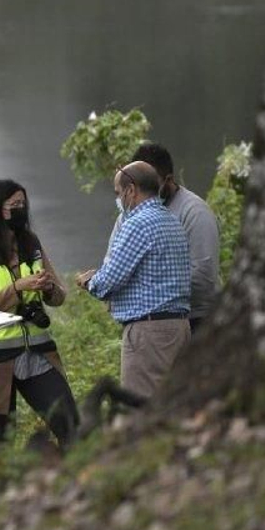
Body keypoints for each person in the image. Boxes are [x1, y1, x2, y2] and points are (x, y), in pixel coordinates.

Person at [0, 180, 80, 450]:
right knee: (0, 445)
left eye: (23, 204)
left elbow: (59, 296)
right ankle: (3, 491)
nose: (21, 210)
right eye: (14, 205)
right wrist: (17, 289)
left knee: (71, 425)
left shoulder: (30, 242)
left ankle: (74, 485)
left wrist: (48, 288)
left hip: (35, 351)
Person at [76, 163, 191, 398]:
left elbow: (107, 282)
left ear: (131, 190)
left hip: (148, 333)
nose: (118, 199)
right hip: (179, 328)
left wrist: (89, 281)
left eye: (118, 193)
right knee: (173, 404)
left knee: (140, 408)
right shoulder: (171, 220)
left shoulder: (137, 224)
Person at [129, 142, 221, 331]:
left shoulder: (194, 212)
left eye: (151, 185)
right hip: (145, 323)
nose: (144, 194)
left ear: (168, 179)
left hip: (194, 321)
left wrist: (143, 288)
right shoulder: (130, 212)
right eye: (139, 186)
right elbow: (113, 262)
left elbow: (203, 279)